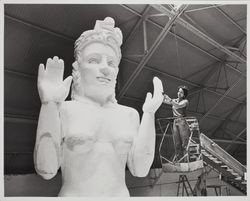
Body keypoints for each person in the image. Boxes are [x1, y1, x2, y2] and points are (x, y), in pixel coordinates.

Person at [33, 17, 164, 196]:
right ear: (78, 68)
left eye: (111, 63)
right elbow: (46, 170)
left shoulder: (129, 115)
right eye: (94, 60)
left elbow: (140, 170)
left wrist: (149, 115)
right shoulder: (65, 110)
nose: (105, 69)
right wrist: (48, 104)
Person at [163, 86, 190, 162]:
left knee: (184, 144)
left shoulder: (185, 101)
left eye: (181, 92)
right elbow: (165, 101)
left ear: (184, 95)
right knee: (177, 144)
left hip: (182, 122)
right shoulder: (174, 100)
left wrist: (169, 99)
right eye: (179, 91)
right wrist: (162, 96)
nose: (179, 93)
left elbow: (178, 106)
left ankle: (186, 161)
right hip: (175, 122)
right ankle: (180, 161)